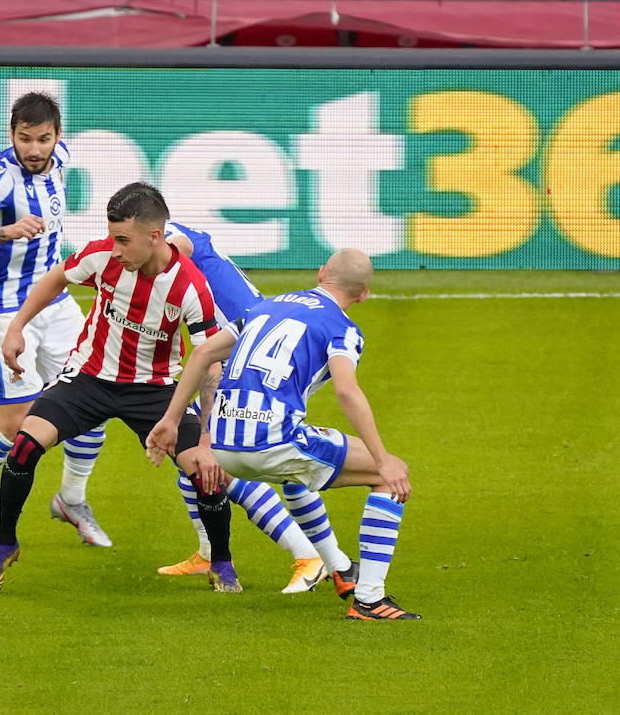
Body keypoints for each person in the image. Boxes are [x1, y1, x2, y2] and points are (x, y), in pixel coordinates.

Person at [0, 182, 239, 594]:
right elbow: (57, 278)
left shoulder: (189, 286)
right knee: (24, 446)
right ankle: (4, 543)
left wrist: (207, 439)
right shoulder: (103, 255)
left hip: (154, 389)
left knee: (205, 472)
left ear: (154, 236)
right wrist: (17, 326)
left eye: (123, 240)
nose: (115, 249)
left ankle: (222, 564)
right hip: (89, 378)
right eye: (112, 237)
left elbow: (209, 366)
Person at [146, 248, 419, 621]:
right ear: (363, 294)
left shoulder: (264, 307)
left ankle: (340, 567)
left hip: (222, 443)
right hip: (271, 440)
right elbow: (346, 390)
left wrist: (171, 420)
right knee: (391, 476)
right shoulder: (342, 328)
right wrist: (384, 459)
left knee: (298, 474)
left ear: (321, 273)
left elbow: (204, 353)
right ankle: (370, 600)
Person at [0, 92, 110, 556]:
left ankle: (72, 500)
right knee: (18, 421)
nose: (34, 149)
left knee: (94, 394)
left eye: (43, 139)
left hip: (55, 301)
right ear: (11, 135)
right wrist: (4, 231)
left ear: (58, 137)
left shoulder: (61, 159)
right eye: (24, 139)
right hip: (5, 308)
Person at [160, 220, 354, 596]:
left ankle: (309, 556)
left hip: (256, 355)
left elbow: (177, 249)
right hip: (256, 342)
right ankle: (208, 551)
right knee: (189, 457)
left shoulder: (172, 237)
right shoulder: (162, 239)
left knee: (229, 456)